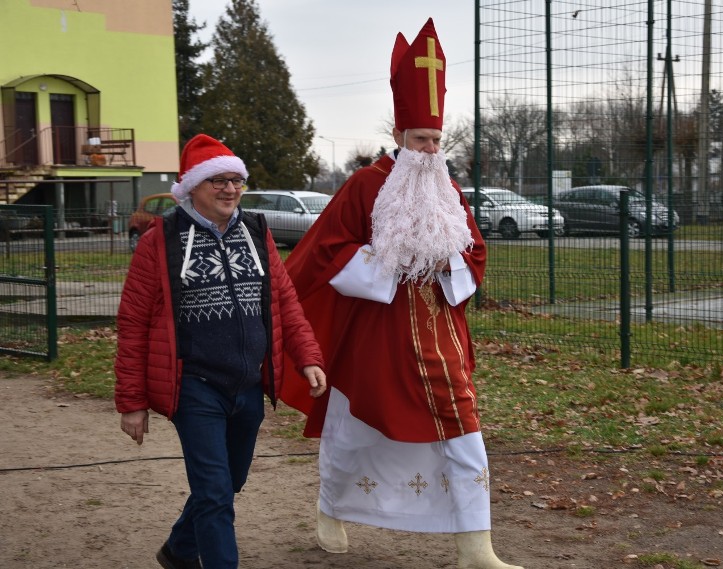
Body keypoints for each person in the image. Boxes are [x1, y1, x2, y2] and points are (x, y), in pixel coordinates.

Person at [281, 19, 522, 569]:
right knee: (354, 429)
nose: (430, 149)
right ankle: (330, 509)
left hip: (440, 335)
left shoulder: (449, 188)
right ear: (399, 135)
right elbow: (327, 251)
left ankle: (475, 547)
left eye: (437, 140)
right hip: (376, 332)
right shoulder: (366, 185)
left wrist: (448, 262)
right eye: (420, 139)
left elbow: (475, 252)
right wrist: (390, 264)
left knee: (464, 429)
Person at [114, 134, 327, 569]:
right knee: (214, 494)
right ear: (193, 186)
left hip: (248, 382)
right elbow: (133, 322)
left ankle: (178, 549)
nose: (230, 190)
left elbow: (284, 299)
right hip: (194, 385)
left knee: (232, 480)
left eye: (237, 181)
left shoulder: (257, 230)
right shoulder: (162, 239)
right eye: (218, 181)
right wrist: (132, 402)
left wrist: (308, 356)